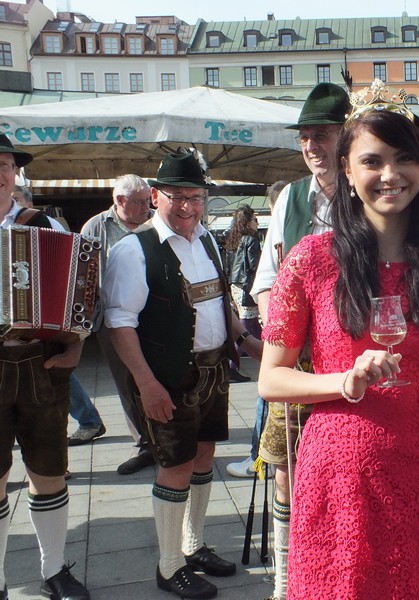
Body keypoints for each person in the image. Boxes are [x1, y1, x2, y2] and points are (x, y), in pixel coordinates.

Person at [257, 80, 419, 599]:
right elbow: (270, 379)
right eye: (372, 161)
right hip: (337, 470)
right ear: (348, 173)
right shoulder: (311, 260)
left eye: (404, 158)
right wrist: (344, 380)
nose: (390, 175)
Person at [103, 152, 263, 599]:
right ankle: (169, 566)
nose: (188, 206)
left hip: (213, 371)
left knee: (204, 456)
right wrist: (147, 384)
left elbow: (218, 303)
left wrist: (245, 341)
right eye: (177, 197)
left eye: (196, 197)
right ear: (156, 197)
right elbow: (119, 323)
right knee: (173, 467)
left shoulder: (208, 241)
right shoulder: (133, 250)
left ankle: (192, 546)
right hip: (168, 378)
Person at [248, 82, 351, 600]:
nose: (311, 145)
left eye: (322, 135)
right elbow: (265, 282)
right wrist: (285, 331)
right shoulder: (290, 197)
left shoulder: (369, 193)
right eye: (305, 136)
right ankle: (288, 584)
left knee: (348, 476)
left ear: (347, 137)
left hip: (354, 359)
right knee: (286, 471)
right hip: (296, 364)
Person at [0, 134, 91, 600]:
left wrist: (76, 344)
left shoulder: (44, 227)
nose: (0, 172)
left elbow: (80, 290)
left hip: (40, 363)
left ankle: (54, 569)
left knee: (48, 470)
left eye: (5, 164)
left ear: (15, 173)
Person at [81, 174, 157, 475]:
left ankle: (166, 438)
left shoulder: (155, 223)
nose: (145, 208)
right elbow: (84, 276)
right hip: (113, 320)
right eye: (139, 202)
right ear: (119, 201)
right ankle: (143, 444)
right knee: (127, 382)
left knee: (158, 375)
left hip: (154, 316)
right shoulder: (96, 226)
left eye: (147, 201)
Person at [227, 180, 288, 479]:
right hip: (268, 311)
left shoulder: (254, 237)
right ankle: (260, 458)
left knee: (269, 392)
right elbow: (262, 276)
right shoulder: (262, 238)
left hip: (267, 310)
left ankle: (258, 458)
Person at [225, 205, 262, 383]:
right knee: (246, 327)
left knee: (253, 327)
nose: (257, 222)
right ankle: (232, 366)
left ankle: (267, 358)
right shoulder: (251, 239)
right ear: (248, 221)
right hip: (247, 285)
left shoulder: (234, 239)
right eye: (255, 219)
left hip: (235, 285)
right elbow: (254, 266)